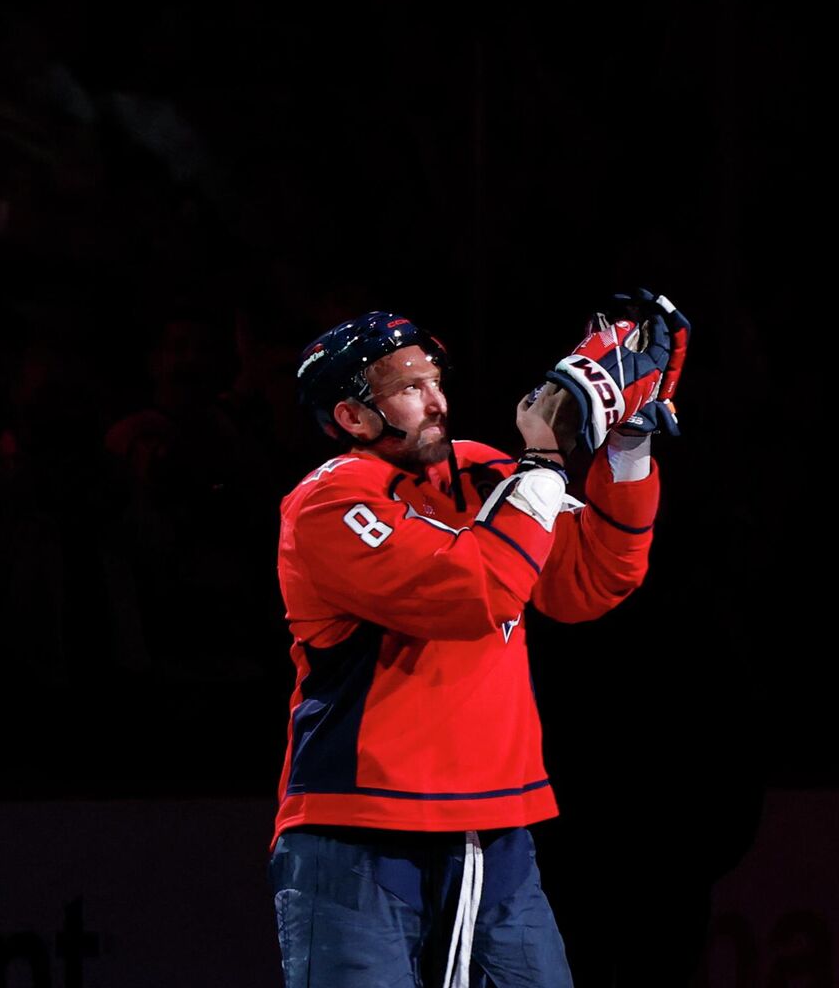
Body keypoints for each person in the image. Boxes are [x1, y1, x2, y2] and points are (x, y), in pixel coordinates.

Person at [266, 298, 686, 987]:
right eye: (409, 388)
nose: (437, 401)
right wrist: (543, 460)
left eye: (435, 381)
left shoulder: (482, 470)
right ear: (352, 416)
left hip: (495, 825)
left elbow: (592, 579)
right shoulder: (329, 503)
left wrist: (628, 441)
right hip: (358, 828)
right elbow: (475, 592)